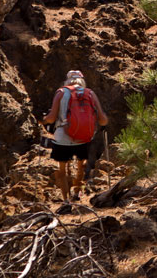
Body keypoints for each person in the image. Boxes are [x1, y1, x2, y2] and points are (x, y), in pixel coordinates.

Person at [42, 71, 108, 202]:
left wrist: (43, 120)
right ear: (81, 81)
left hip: (63, 136)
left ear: (67, 81)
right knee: (81, 166)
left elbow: (51, 118)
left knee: (62, 170)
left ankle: (66, 201)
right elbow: (103, 120)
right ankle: (77, 193)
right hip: (83, 137)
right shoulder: (90, 93)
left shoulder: (61, 92)